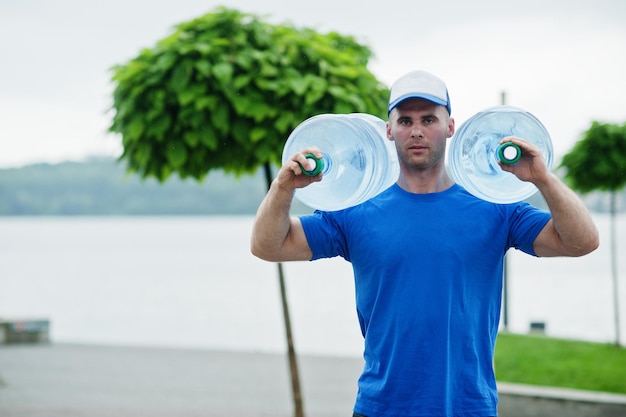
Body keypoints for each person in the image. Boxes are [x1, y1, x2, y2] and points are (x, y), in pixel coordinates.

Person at [250, 70, 599, 417]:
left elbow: (581, 241)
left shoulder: (495, 208)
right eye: (404, 120)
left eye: (429, 119)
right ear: (389, 130)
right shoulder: (356, 210)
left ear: (450, 127)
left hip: (468, 407)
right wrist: (283, 188)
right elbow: (269, 246)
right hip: (380, 407)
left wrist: (542, 179)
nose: (416, 131)